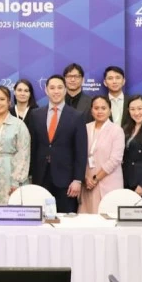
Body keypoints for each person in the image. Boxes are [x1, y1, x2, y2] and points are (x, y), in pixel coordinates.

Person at [29, 74, 87, 213]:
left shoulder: (77, 116)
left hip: (66, 179)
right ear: (46, 90)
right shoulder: (36, 114)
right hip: (40, 176)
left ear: (65, 90)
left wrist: (78, 180)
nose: (56, 91)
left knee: (65, 220)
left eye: (60, 87)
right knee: (40, 217)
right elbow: (32, 147)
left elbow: (81, 151)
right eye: (52, 88)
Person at [81, 96, 125, 214]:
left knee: (107, 221)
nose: (99, 111)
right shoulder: (85, 128)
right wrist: (85, 178)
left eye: (103, 108)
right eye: (96, 108)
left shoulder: (116, 130)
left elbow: (115, 160)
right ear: (91, 110)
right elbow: (80, 156)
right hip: (87, 183)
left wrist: (95, 179)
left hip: (108, 182)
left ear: (110, 110)